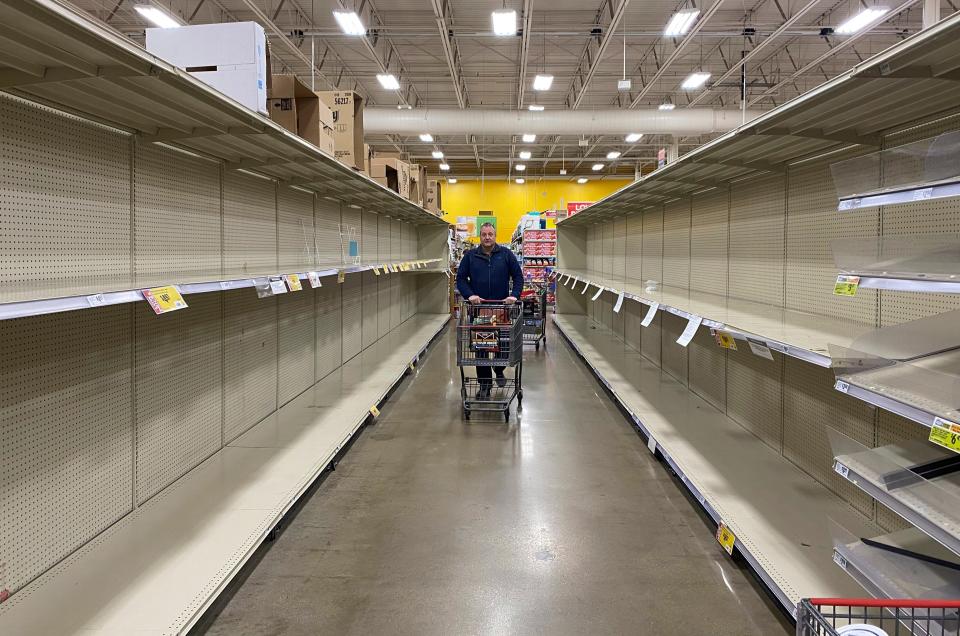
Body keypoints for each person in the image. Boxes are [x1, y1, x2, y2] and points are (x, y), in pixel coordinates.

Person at [456, 222, 524, 398]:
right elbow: (461, 279)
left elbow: (518, 277)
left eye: (490, 234)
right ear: (480, 236)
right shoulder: (470, 256)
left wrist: (514, 296)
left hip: (501, 309)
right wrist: (469, 295)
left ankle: (499, 368)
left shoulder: (506, 255)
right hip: (479, 311)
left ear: (495, 236)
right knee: (482, 348)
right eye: (484, 234)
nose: (487, 237)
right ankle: (485, 385)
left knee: (503, 345)